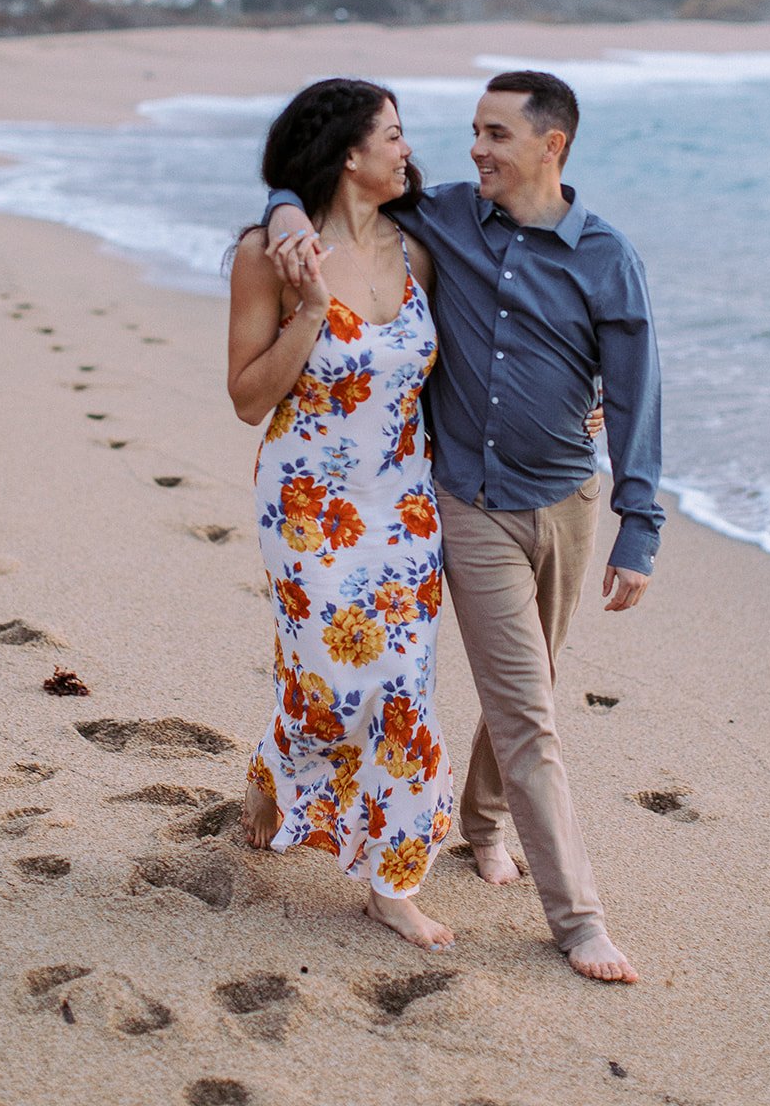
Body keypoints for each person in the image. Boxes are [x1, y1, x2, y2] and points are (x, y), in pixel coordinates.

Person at [265, 69, 664, 984]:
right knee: (527, 710)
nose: (474, 149)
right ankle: (579, 921)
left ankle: (482, 823)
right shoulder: (440, 217)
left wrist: (637, 525)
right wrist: (286, 208)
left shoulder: (606, 256)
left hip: (565, 503)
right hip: (465, 502)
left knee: (534, 689)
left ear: (549, 146)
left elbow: (638, 400)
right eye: (472, 131)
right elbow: (324, 177)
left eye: (495, 135)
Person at [227, 77, 457, 951]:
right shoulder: (270, 256)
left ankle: (390, 880)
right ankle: (276, 766)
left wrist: (582, 397)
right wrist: (312, 314)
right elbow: (248, 399)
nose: (408, 149)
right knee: (331, 683)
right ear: (348, 153)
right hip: (307, 507)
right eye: (392, 135)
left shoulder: (420, 247)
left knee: (401, 687)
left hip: (402, 505)